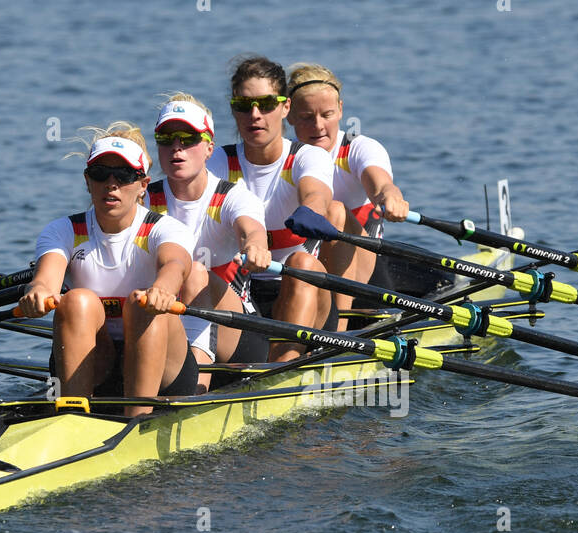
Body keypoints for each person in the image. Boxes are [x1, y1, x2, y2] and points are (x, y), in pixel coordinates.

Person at [18, 124, 197, 417]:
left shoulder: (164, 229)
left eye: (124, 175)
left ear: (143, 186)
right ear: (88, 181)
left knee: (142, 304)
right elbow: (47, 278)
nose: (111, 184)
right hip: (96, 362)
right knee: (75, 300)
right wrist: (38, 292)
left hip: (164, 370)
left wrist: (162, 289)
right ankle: (72, 418)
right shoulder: (63, 230)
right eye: (101, 174)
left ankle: (138, 419)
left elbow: (175, 265)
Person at [206, 55, 336, 361]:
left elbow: (316, 193)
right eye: (243, 105)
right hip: (238, 293)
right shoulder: (216, 163)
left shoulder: (307, 158)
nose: (255, 115)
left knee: (302, 263)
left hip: (302, 292)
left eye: (266, 104)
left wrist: (311, 211)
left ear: (285, 107)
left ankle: (280, 371)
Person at [145, 93, 272, 388]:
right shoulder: (143, 199)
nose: (177, 147)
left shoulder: (232, 197)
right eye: (166, 138)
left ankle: (195, 388)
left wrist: (256, 246)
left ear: (208, 148)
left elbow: (251, 229)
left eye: (188, 138)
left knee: (195, 272)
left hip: (239, 334)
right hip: (169, 321)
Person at [286, 63, 408, 330]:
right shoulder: (282, 157)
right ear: (289, 115)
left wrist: (390, 196)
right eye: (306, 116)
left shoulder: (358, 148)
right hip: (305, 274)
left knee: (334, 210)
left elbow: (381, 184)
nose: (318, 126)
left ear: (340, 109)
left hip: (368, 284)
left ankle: (337, 333)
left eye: (327, 114)